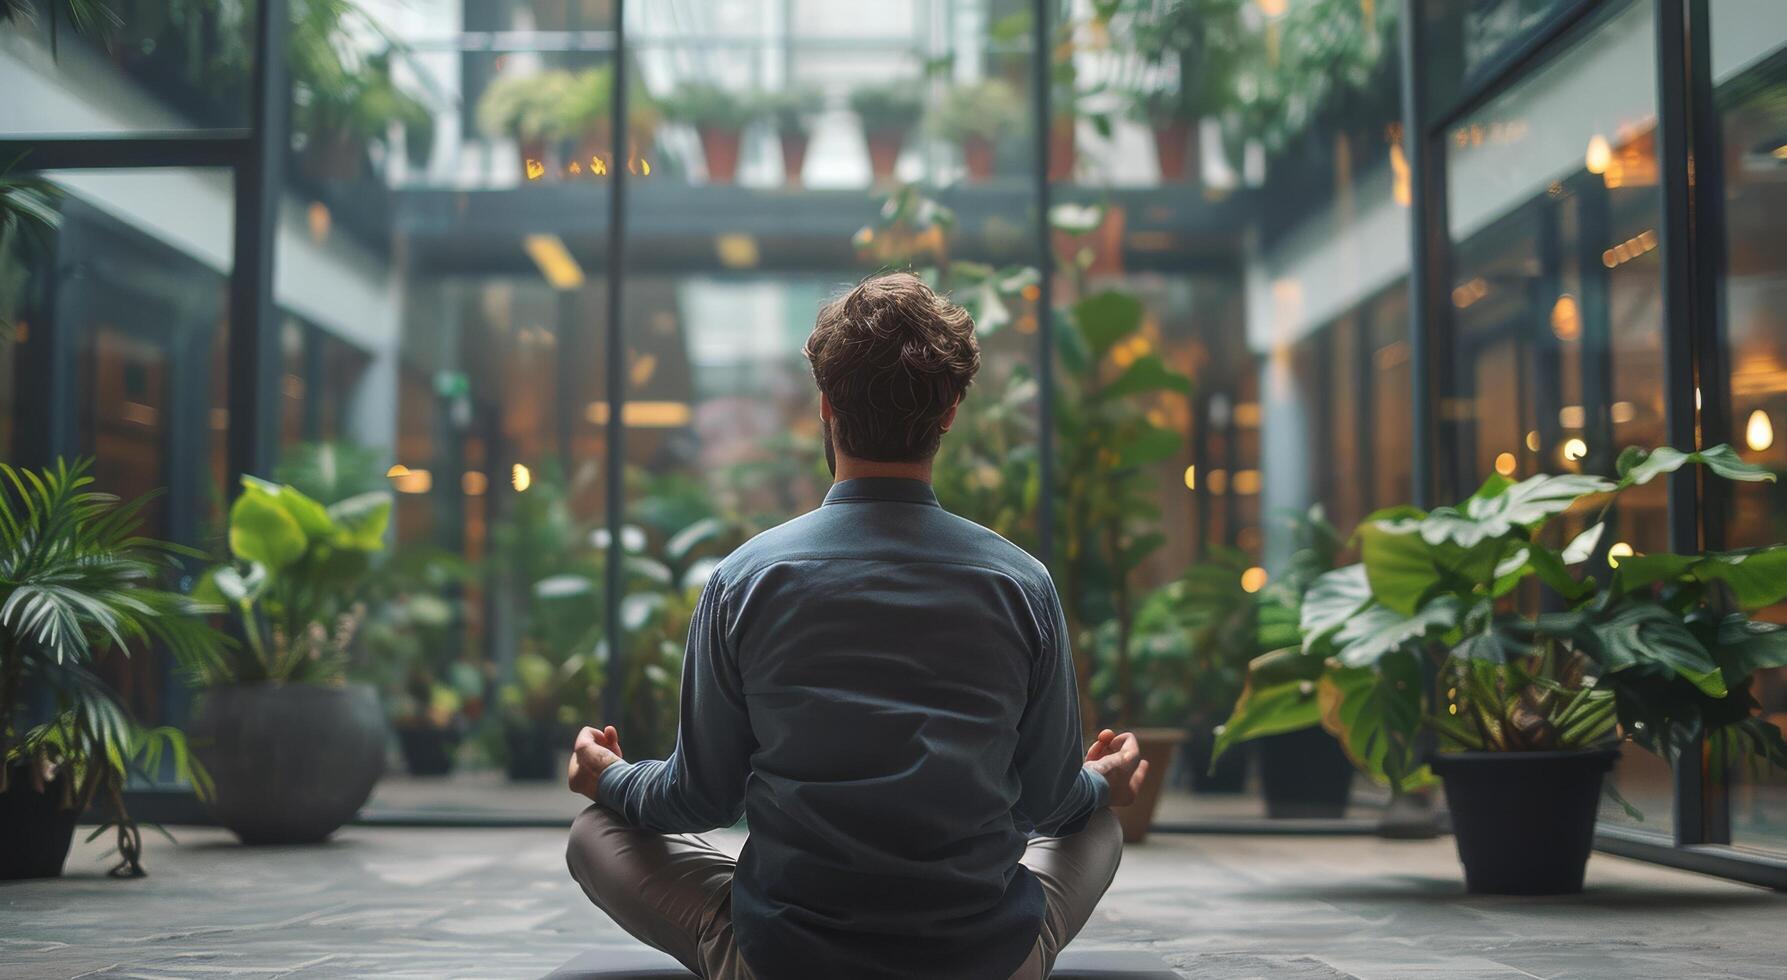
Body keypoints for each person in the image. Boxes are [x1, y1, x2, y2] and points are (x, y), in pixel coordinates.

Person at [565, 272, 1148, 980]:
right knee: (1099, 825)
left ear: (826, 403)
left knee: (595, 831)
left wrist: (610, 776)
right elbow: (1052, 804)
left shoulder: (744, 579)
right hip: (984, 958)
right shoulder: (1020, 582)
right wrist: (1103, 781)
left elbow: (699, 799)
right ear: (950, 412)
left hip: (785, 959)